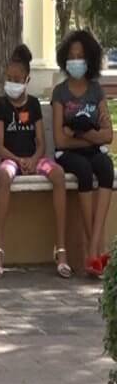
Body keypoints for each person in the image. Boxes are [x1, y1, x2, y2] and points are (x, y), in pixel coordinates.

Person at [0, 44, 68, 279]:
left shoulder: (33, 105)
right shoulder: (2, 105)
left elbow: (41, 142)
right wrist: (18, 160)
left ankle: (61, 250)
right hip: (11, 160)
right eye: (9, 78)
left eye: (17, 79)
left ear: (27, 80)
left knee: (59, 175)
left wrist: (33, 160)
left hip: (35, 159)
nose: (12, 83)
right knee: (4, 175)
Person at [51, 30, 113, 278]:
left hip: (90, 149)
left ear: (90, 60)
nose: (75, 61)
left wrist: (79, 132)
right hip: (67, 155)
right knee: (84, 172)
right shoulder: (60, 92)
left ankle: (95, 246)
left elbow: (107, 135)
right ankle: (94, 251)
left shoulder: (96, 91)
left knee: (106, 167)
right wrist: (89, 133)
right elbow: (60, 139)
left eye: (80, 56)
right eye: (71, 56)